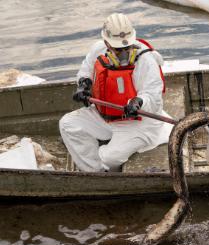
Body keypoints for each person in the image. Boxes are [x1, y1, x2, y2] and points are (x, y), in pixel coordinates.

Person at [59, 13, 173, 172]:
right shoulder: (98, 49)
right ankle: (94, 173)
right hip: (106, 116)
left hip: (139, 123)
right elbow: (85, 70)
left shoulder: (146, 61)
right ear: (107, 43)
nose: (124, 53)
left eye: (127, 47)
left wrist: (139, 102)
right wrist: (83, 85)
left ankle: (105, 167)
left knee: (109, 158)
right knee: (68, 124)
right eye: (118, 49)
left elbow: (153, 98)